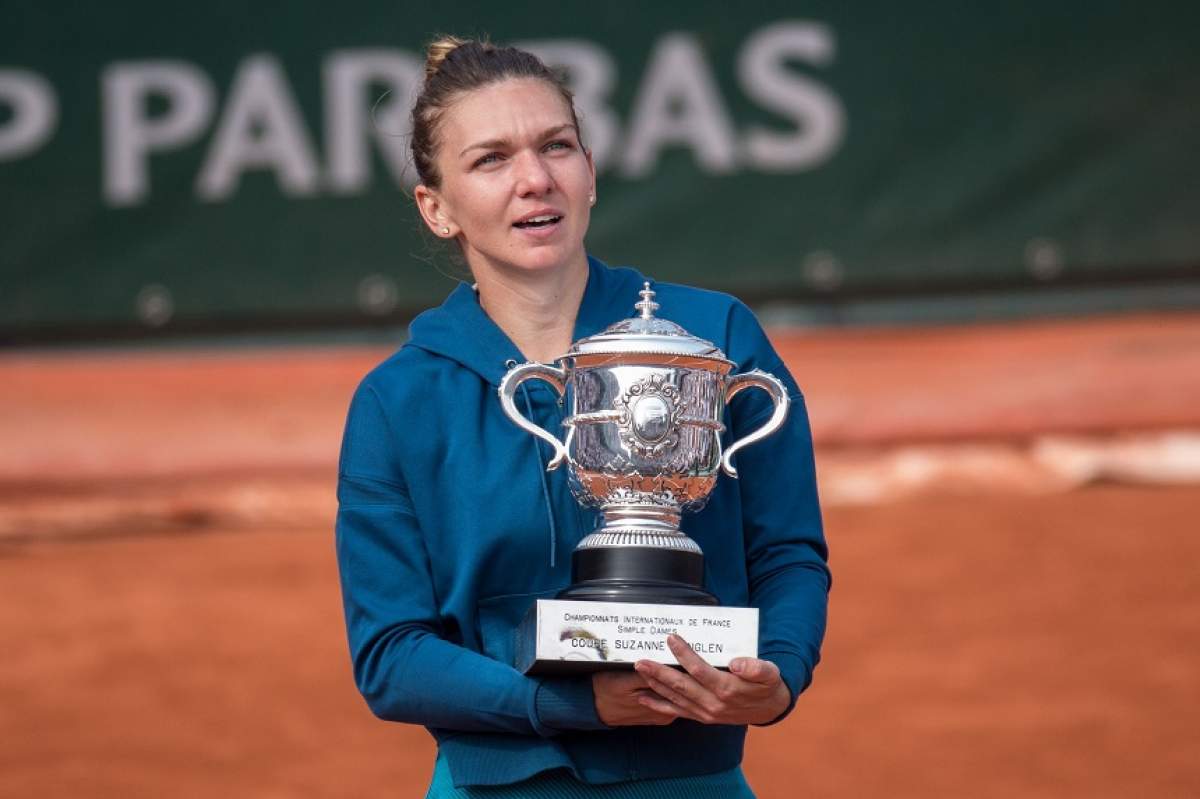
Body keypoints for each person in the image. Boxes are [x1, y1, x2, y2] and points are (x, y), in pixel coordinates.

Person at [334, 35, 830, 798]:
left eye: (556, 146)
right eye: (491, 159)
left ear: (591, 172)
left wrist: (782, 675)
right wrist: (570, 704)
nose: (535, 179)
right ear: (436, 209)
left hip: (694, 779)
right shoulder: (397, 402)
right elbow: (391, 654)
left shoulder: (715, 338)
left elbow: (788, 551)